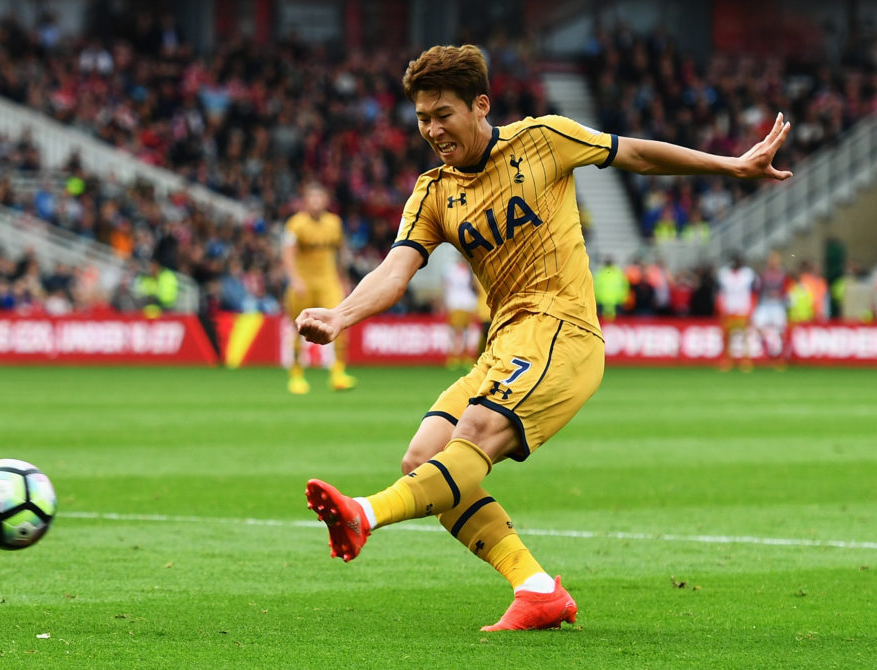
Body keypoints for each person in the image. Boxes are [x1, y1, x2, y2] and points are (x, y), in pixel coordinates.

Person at [296, 44, 792, 632]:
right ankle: (536, 589)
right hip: (504, 341)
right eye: (422, 117)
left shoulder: (543, 140)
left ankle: (364, 514)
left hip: (564, 329)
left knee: (473, 435)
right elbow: (395, 270)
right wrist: (342, 313)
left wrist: (731, 165)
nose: (431, 129)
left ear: (481, 105)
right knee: (423, 457)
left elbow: (631, 152)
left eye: (443, 114)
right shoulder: (433, 193)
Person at [282, 181, 357, 394]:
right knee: (298, 328)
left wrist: (343, 279)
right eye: (312, 198)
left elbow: (340, 252)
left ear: (325, 201)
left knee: (340, 323)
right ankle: (296, 375)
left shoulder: (334, 223)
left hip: (328, 282)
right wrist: (295, 279)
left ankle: (338, 373)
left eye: (320, 198)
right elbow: (287, 253)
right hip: (303, 284)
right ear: (305, 201)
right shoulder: (295, 224)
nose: (316, 202)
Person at [716, 254, 757, 372]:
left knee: (744, 336)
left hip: (742, 309)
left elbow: (753, 292)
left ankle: (745, 359)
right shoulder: (724, 275)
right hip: (729, 308)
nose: (736, 263)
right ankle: (727, 359)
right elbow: (721, 293)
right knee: (727, 336)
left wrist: (751, 309)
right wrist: (721, 308)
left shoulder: (747, 274)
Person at [751, 251, 791, 368]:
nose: (773, 262)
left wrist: (780, 296)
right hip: (764, 305)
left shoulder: (783, 275)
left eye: (775, 260)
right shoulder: (763, 274)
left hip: (777, 305)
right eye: (771, 260)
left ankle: (781, 357)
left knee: (781, 331)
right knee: (757, 326)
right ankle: (768, 348)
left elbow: (787, 290)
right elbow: (757, 289)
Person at [442, 253, 480, 369]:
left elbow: (475, 287)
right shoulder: (451, 270)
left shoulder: (471, 270)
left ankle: (467, 355)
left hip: (469, 303)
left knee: (468, 330)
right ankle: (455, 355)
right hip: (456, 303)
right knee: (457, 330)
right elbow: (447, 286)